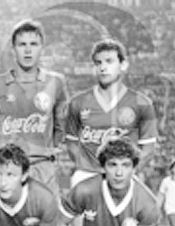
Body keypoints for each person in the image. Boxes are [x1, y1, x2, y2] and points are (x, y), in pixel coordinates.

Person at [0, 19, 68, 195]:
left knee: (47, 220)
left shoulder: (56, 83)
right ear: (13, 49)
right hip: (7, 170)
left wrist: (47, 152)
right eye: (22, 44)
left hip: (43, 168)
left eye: (33, 44)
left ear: (41, 47)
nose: (28, 50)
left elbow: (61, 128)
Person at [65, 38, 157, 187]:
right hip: (88, 175)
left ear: (123, 65)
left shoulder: (142, 103)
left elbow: (148, 150)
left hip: (125, 176)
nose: (103, 67)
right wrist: (88, 168)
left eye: (109, 61)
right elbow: (71, 144)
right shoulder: (77, 102)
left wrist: (126, 172)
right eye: (98, 63)